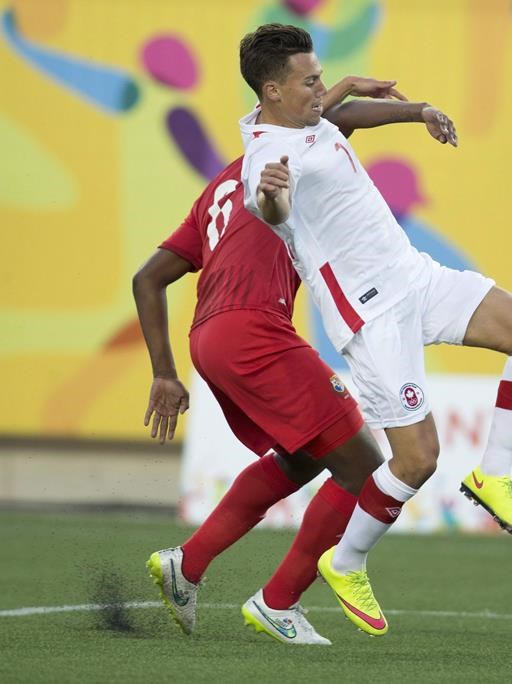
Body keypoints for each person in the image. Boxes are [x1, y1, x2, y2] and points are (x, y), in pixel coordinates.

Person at [237, 23, 512, 636]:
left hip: (415, 277)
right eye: (311, 82)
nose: (321, 89)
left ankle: (494, 472)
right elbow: (268, 202)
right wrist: (273, 199)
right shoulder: (266, 156)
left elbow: (341, 111)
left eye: (322, 77)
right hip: (371, 313)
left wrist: (418, 111)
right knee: (416, 460)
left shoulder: (301, 117)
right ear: (274, 90)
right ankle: (347, 561)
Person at [134, 75, 458, 645]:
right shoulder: (288, 163)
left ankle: (188, 564)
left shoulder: (220, 186)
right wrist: (416, 109)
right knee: (365, 470)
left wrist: (164, 370)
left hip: (210, 337)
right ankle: (279, 600)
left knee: (302, 457)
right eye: (306, 89)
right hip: (256, 328)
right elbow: (339, 115)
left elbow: (148, 278)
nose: (316, 103)